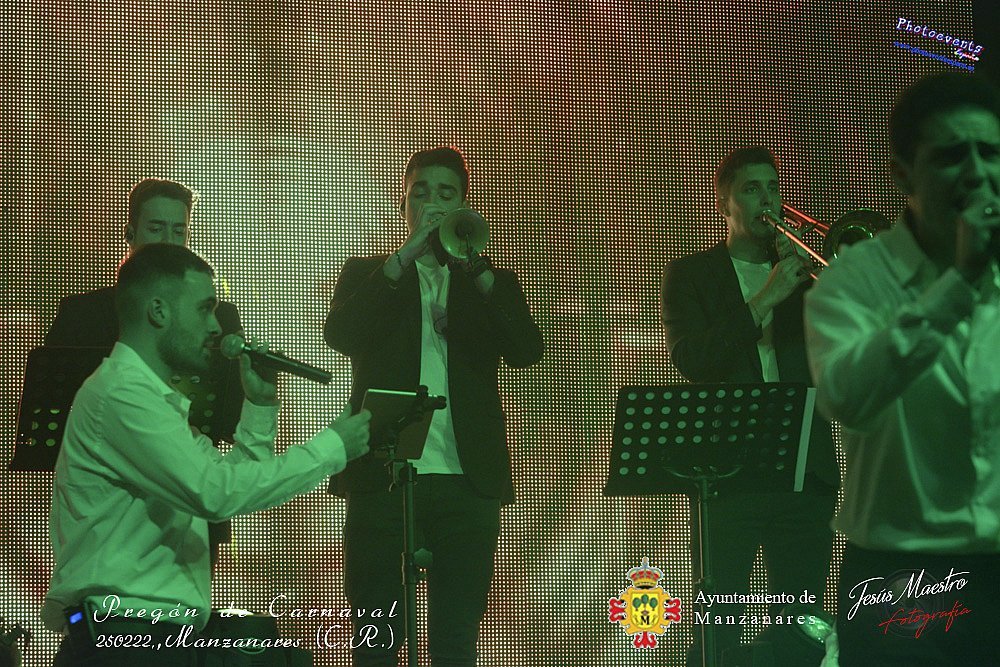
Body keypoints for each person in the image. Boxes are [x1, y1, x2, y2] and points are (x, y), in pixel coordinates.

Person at [44, 244, 371, 666]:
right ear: (158, 311)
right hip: (123, 638)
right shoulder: (122, 394)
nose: (216, 326)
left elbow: (227, 487)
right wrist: (331, 449)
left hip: (153, 636)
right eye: (204, 309)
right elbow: (213, 493)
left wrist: (259, 407)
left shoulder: (157, 402)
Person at [805, 72, 1000, 666]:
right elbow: (846, 396)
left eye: (990, 152)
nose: (977, 172)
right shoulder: (853, 279)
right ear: (902, 176)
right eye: (950, 156)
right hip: (898, 577)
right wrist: (961, 282)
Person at [324, 147, 544, 666]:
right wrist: (403, 257)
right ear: (403, 203)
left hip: (466, 479)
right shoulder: (370, 272)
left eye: (446, 194)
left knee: (455, 639)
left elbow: (527, 351)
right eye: (421, 192)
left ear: (464, 205)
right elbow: (341, 335)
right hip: (384, 477)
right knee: (376, 640)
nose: (433, 203)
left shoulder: (488, 282)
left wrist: (478, 270)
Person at [661, 147, 840, 665]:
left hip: (804, 470)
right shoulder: (691, 274)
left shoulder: (808, 277)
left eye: (773, 187)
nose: (768, 200)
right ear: (725, 203)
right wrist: (765, 297)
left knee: (801, 630)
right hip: (727, 475)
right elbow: (692, 360)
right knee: (718, 628)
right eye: (752, 189)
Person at [45, 178, 243, 559]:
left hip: (190, 512)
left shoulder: (219, 318)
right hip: (107, 519)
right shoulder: (81, 315)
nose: (168, 241)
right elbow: (54, 419)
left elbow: (231, 421)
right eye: (156, 228)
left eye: (178, 231)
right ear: (130, 234)